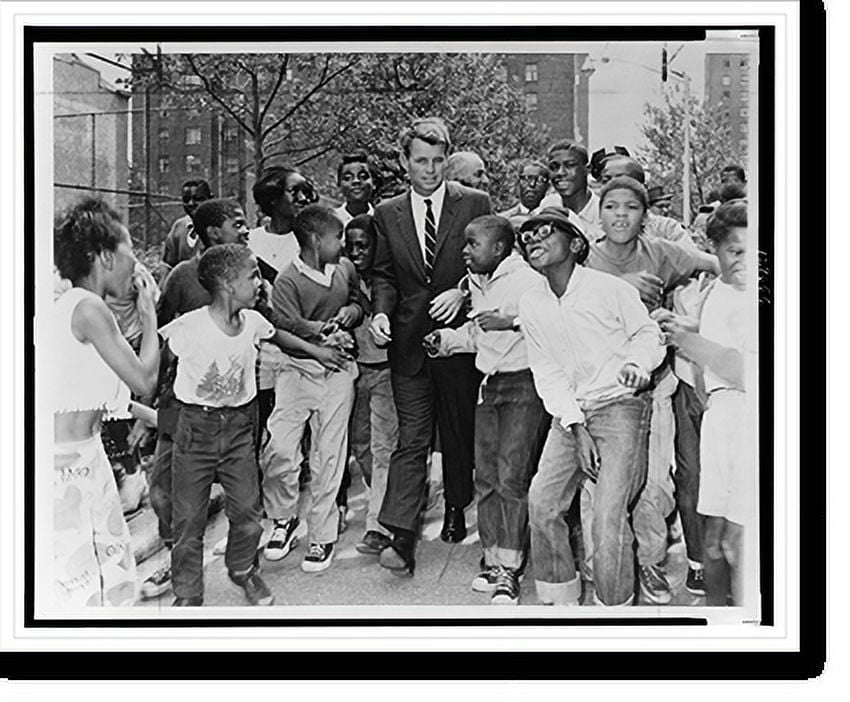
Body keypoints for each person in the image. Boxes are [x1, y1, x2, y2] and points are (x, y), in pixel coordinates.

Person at [159, 244, 348, 606]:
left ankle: (243, 569)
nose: (261, 283)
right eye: (253, 276)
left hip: (237, 430)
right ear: (228, 284)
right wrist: (160, 426)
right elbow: (162, 375)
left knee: (247, 512)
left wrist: (318, 351)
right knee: (188, 520)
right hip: (194, 428)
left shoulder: (254, 321)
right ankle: (187, 592)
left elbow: (279, 335)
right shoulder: (189, 326)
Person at [517, 206, 665, 606]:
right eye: (527, 235)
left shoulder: (610, 289)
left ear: (576, 243)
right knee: (543, 502)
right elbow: (546, 371)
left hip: (620, 407)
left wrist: (638, 364)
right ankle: (560, 603)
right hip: (571, 413)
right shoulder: (531, 304)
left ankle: (613, 614)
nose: (533, 238)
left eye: (545, 231)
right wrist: (574, 424)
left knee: (607, 518)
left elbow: (647, 332)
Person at [585, 176, 719, 604]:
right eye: (611, 207)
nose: (620, 215)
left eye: (631, 207)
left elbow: (714, 264)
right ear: (600, 213)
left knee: (652, 486)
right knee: (601, 488)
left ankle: (650, 563)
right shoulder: (582, 256)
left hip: (654, 388)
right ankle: (604, 565)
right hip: (597, 390)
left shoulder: (660, 252)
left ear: (645, 217)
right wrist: (624, 290)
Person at [369, 116, 492, 575]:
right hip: (407, 342)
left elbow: (489, 260)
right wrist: (382, 312)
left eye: (439, 161)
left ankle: (458, 505)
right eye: (421, 161)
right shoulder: (386, 213)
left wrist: (463, 287)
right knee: (412, 438)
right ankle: (401, 535)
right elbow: (383, 274)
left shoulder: (474, 202)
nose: (431, 170)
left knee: (458, 430)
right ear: (405, 162)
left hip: (458, 338)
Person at [424, 215, 548, 605]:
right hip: (490, 385)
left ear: (499, 248)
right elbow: (479, 335)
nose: (464, 250)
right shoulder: (479, 282)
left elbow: (550, 322)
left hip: (524, 384)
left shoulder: (528, 280)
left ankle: (510, 569)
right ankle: (493, 558)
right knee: (487, 476)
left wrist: (511, 322)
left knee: (512, 475)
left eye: (472, 244)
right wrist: (445, 340)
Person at [49, 197, 160, 607]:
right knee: (82, 590)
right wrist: (150, 314)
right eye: (131, 250)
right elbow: (144, 379)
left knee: (105, 580)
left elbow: (93, 392)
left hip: (83, 458)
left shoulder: (73, 308)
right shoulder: (89, 306)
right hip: (67, 469)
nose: (136, 264)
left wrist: (153, 418)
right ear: (103, 256)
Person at [140, 198, 250, 600]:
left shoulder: (249, 274)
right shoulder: (182, 278)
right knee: (162, 492)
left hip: (232, 413)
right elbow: (161, 346)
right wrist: (146, 408)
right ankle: (176, 562)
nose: (245, 228)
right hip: (177, 407)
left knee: (243, 500)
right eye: (237, 223)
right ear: (211, 234)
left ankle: (242, 564)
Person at [655, 199, 752, 606]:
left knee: (739, 539)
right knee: (715, 535)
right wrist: (685, 325)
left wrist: (688, 340)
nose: (749, 260)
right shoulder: (717, 289)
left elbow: (743, 368)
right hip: (720, 418)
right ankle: (719, 619)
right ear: (714, 250)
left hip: (748, 419)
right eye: (736, 251)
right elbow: (721, 333)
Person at [260, 205, 362, 573]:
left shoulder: (344, 269)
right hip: (297, 371)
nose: (343, 244)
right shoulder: (288, 280)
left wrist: (352, 312)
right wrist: (319, 341)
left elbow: (357, 301)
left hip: (337, 373)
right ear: (317, 241)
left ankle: (322, 533)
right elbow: (282, 330)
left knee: (329, 456)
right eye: (338, 238)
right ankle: (283, 518)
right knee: (281, 451)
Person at [248, 166, 318, 457]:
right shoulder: (250, 240)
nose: (303, 198)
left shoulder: (312, 242)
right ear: (274, 199)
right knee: (260, 424)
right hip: (261, 352)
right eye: (294, 191)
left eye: (306, 191)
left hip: (301, 347)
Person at [343, 214, 399, 556]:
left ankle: (379, 525)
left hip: (386, 373)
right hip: (353, 373)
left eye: (363, 245)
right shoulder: (341, 279)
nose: (355, 252)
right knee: (360, 445)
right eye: (349, 246)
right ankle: (384, 500)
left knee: (383, 448)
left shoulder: (388, 280)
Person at [598, 155, 696, 248]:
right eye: (605, 180)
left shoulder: (667, 230)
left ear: (642, 188)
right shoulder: (591, 229)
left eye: (621, 180)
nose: (611, 186)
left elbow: (692, 261)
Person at [537, 140, 603, 242]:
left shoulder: (603, 210)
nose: (560, 172)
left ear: (587, 169)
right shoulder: (549, 204)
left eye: (570, 165)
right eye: (554, 167)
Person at [161, 179, 213, 268]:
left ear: (210, 199)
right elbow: (168, 268)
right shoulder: (179, 228)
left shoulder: (219, 227)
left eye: (198, 199)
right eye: (186, 199)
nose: (191, 203)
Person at [496, 159, 551, 230]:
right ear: (518, 182)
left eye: (539, 180)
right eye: (526, 178)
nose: (532, 184)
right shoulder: (502, 220)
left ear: (548, 186)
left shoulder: (553, 219)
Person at [334, 152, 376, 227]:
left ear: (374, 182)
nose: (356, 181)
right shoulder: (331, 221)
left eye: (363, 176)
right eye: (347, 178)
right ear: (339, 184)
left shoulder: (382, 220)